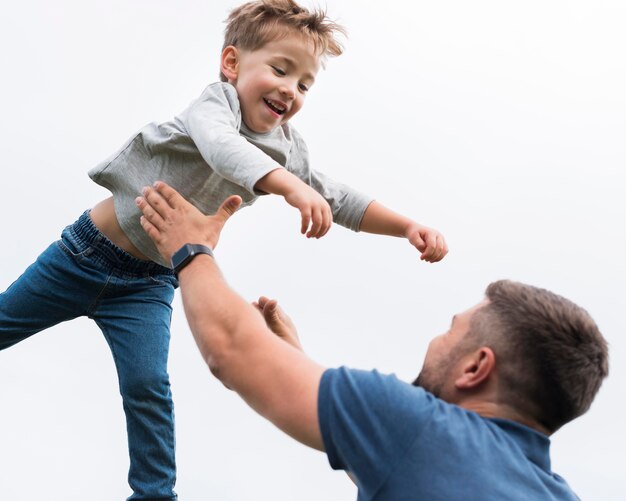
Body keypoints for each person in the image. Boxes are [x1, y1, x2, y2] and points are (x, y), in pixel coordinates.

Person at [0, 1, 447, 499]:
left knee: (148, 387)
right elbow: (220, 148)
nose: (289, 90)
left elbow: (336, 196)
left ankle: (154, 494)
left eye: (304, 84)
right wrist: (288, 188)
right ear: (232, 64)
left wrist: (406, 226)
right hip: (81, 257)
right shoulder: (214, 105)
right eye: (280, 69)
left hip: (147, 285)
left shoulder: (286, 149)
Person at [136, 181, 609, 500]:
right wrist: (293, 361)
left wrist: (189, 247)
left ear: (475, 368)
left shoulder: (421, 427)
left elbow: (231, 350)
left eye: (452, 331)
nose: (437, 340)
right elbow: (404, 466)